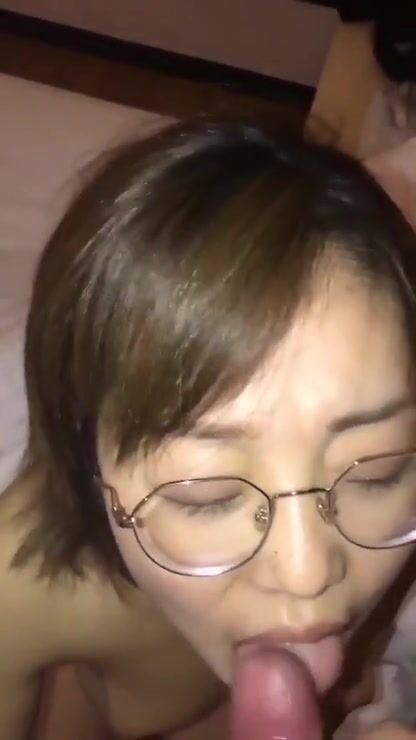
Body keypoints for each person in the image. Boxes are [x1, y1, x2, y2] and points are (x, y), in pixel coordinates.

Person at [0, 119, 415, 740]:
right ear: (89, 471)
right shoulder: (20, 598)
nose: (308, 572)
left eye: (376, 471)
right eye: (208, 496)